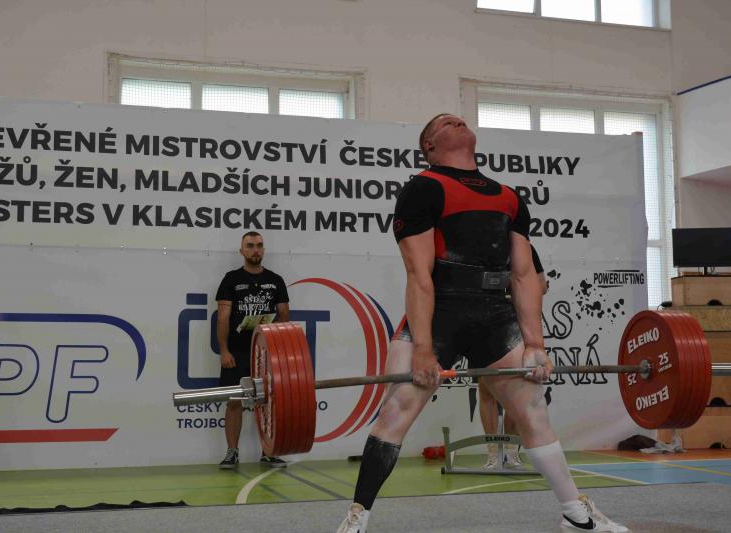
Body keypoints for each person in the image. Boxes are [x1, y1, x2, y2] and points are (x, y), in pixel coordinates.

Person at [337, 114, 627, 532]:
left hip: (494, 314)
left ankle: (575, 515)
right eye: (443, 123)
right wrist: (423, 349)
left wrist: (536, 344)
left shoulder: (509, 197)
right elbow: (419, 274)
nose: (456, 120)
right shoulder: (423, 188)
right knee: (397, 409)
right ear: (429, 146)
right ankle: (357, 518)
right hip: (440, 312)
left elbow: (524, 275)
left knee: (533, 411)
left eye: (459, 119)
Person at [216, 231, 290, 469]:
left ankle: (269, 452)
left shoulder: (276, 280)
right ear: (242, 251)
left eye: (259, 245)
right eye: (250, 246)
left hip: (266, 354)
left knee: (268, 402)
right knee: (234, 401)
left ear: (263, 250)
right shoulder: (231, 279)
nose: (255, 250)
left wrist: (279, 351)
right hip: (237, 353)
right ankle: (232, 452)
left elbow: (284, 316)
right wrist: (224, 351)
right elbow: (222, 318)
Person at [480, 244, 548, 469]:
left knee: (517, 387)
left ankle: (510, 450)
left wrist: (517, 287)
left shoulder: (526, 248)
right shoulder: (481, 244)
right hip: (486, 321)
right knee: (486, 388)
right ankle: (493, 453)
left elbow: (541, 285)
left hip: (518, 322)